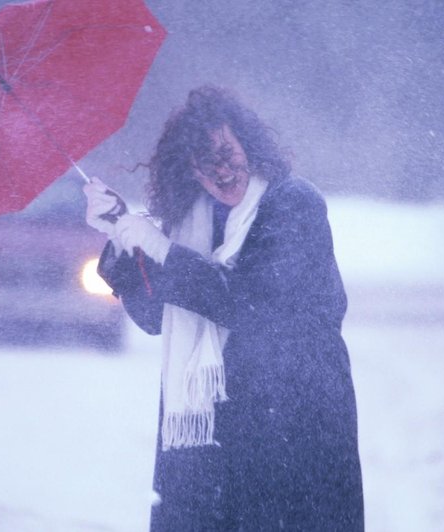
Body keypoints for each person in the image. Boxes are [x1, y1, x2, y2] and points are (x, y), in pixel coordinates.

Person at [84, 86, 364, 531]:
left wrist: (159, 247)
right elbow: (156, 317)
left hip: (293, 420)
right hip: (209, 430)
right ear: (189, 170)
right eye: (202, 160)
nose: (219, 170)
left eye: (225, 151)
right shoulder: (192, 222)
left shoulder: (293, 204)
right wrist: (121, 237)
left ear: (248, 146)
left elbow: (248, 301)